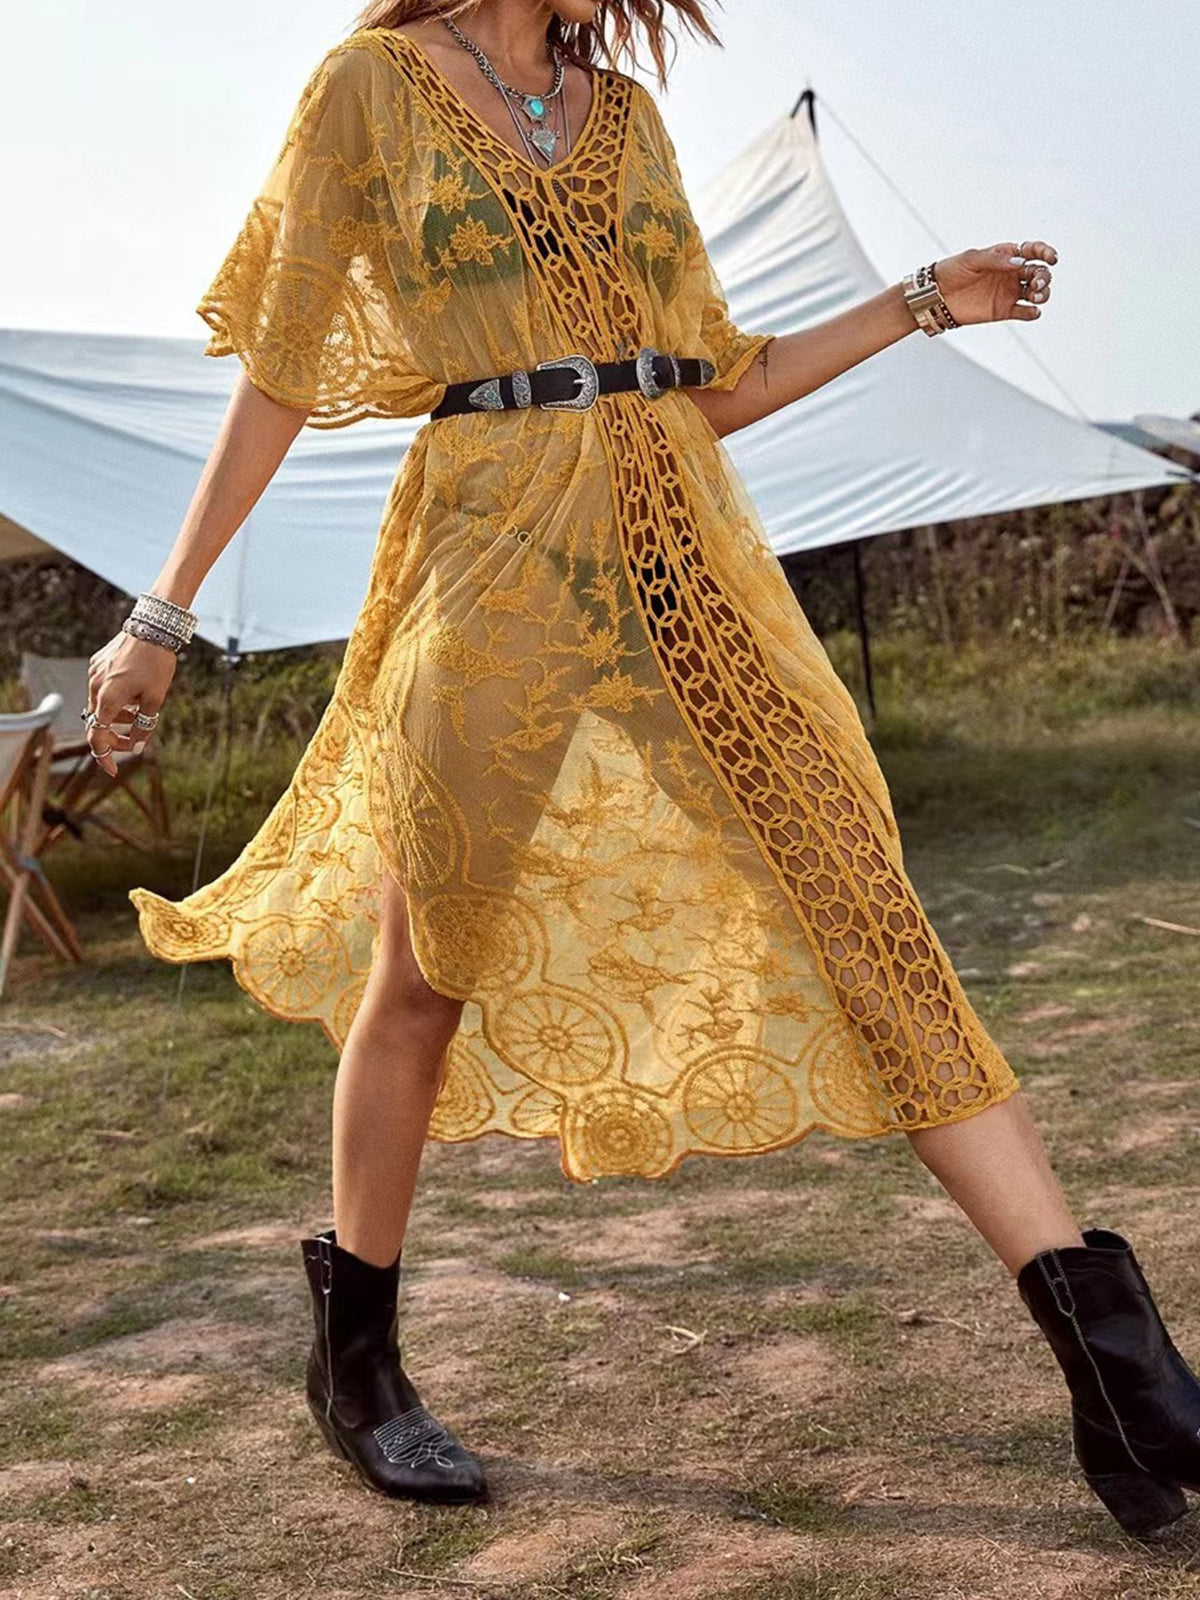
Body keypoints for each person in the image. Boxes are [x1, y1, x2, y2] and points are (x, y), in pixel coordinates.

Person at [84, 0, 1200, 1534]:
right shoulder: (370, 88)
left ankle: (1124, 1377)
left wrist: (920, 300)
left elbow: (715, 382)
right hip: (490, 561)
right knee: (425, 973)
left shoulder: (628, 118)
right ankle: (359, 1372)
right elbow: (280, 366)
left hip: (687, 557)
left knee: (871, 922)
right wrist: (160, 610)